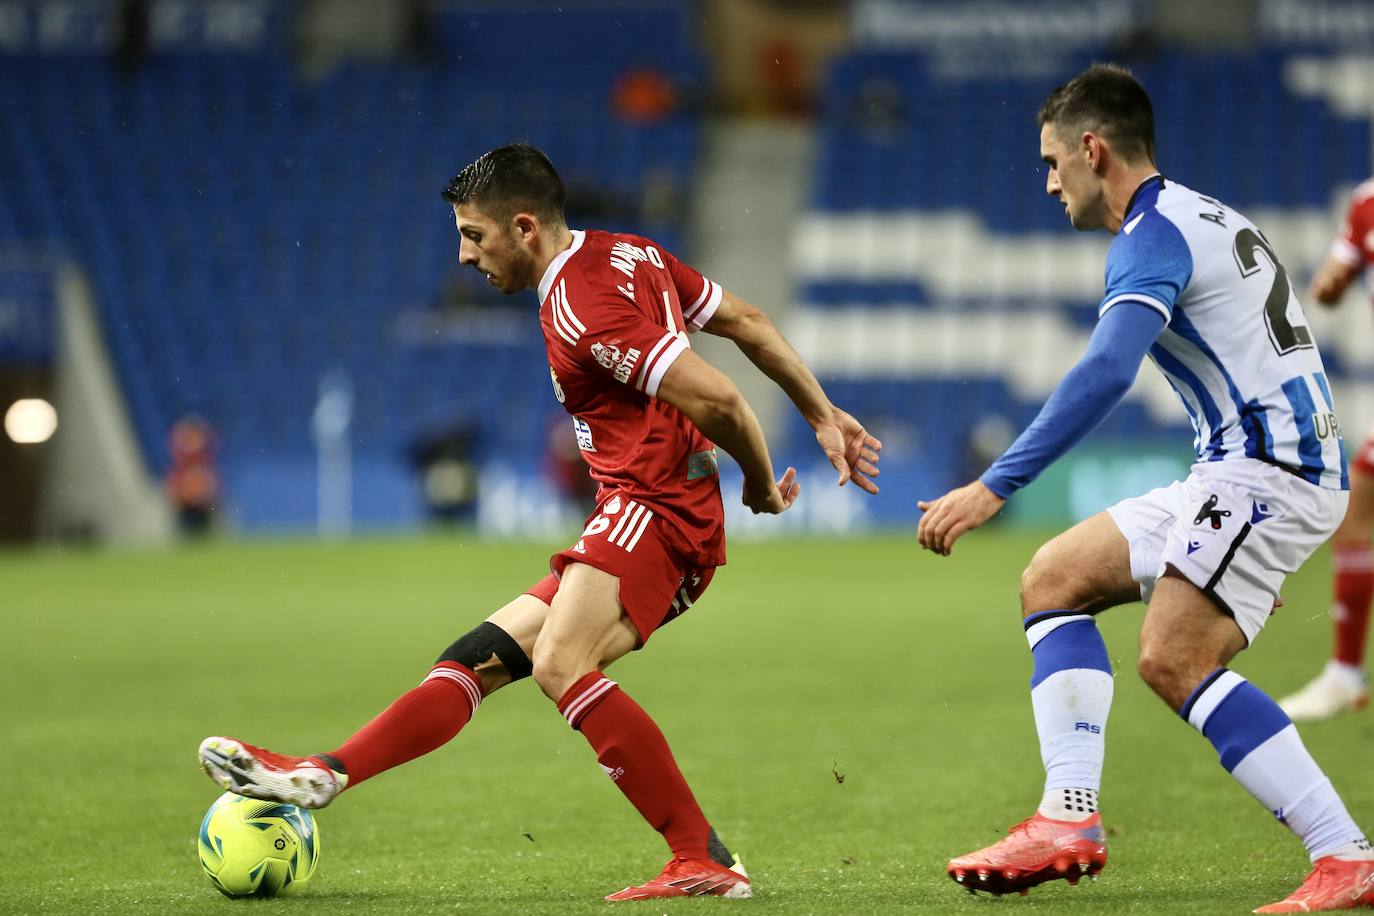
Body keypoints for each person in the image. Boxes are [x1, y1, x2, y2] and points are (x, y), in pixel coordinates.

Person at [198, 143, 882, 902]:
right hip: (645, 511)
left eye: (472, 234)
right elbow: (748, 320)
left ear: (524, 227)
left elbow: (717, 398)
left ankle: (703, 858)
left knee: (560, 664)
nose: (462, 255)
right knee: (477, 659)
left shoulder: (580, 304)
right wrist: (822, 415)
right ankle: (326, 772)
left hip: (653, 509)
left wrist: (758, 482)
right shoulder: (630, 254)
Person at [916, 64, 1374, 912]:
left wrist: (995, 485)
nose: (1050, 182)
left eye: (1054, 162)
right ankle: (1067, 818)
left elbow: (1105, 372)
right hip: (1245, 467)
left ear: (1094, 150)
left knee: (1174, 657)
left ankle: (1345, 854)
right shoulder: (1206, 214)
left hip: (1267, 471)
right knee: (1052, 578)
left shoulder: (1151, 234)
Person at [1278, 179, 1374, 722]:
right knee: (1357, 514)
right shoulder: (1364, 205)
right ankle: (1343, 673)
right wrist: (1334, 283)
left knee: (1358, 512)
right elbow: (1328, 287)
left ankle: (1344, 673)